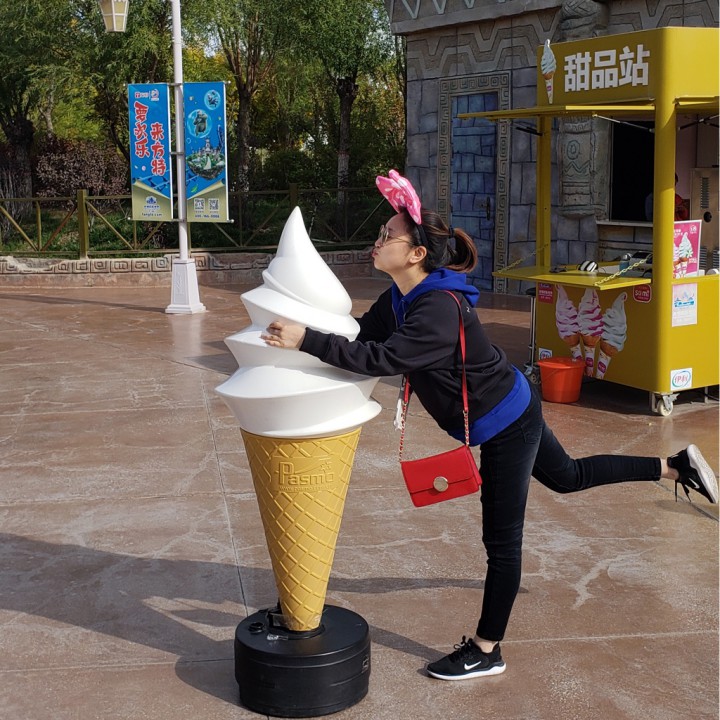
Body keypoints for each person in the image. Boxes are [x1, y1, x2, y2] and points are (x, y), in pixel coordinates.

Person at [262, 170, 718, 681]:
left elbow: (381, 359)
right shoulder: (401, 298)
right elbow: (363, 337)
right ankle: (673, 466)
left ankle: (486, 649)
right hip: (514, 402)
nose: (378, 240)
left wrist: (306, 340)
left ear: (416, 254)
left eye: (388, 235)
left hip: (507, 423)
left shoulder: (437, 308)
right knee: (568, 476)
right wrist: (309, 334)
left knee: (502, 543)